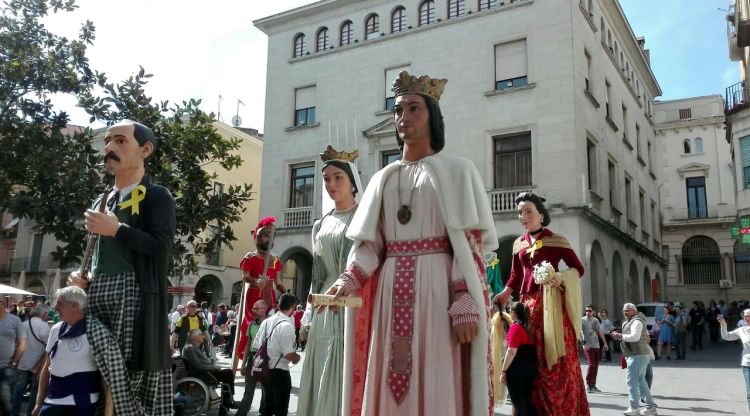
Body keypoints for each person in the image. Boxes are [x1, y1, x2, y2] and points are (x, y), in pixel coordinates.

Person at [327, 71, 498, 416]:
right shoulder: (381, 179)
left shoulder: (458, 171)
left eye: (414, 108)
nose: (403, 117)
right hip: (390, 290)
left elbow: (466, 245)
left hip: (438, 292)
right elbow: (371, 244)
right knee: (388, 367)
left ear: (432, 116)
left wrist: (464, 297)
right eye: (398, 110)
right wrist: (349, 278)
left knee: (437, 371)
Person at [68, 119, 175, 415]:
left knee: (128, 368)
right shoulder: (101, 200)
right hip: (97, 291)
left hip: (133, 291)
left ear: (146, 150)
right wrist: (82, 276)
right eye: (107, 141)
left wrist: (118, 230)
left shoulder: (157, 196)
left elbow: (162, 246)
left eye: (120, 140)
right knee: (93, 366)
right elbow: (94, 250)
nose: (109, 147)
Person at [494, 192, 587, 415]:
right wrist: (504, 294)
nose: (523, 216)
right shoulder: (518, 245)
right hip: (526, 307)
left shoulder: (557, 240)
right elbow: (515, 277)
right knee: (527, 357)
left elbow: (578, 269)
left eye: (528, 211)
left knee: (554, 361)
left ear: (541, 216)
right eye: (520, 212)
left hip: (551, 306)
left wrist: (559, 278)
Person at [297, 145, 362, 416]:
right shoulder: (320, 224)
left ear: (352, 181)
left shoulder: (365, 217)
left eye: (338, 178)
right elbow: (316, 276)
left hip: (355, 304)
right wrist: (308, 316)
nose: (331, 184)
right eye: (326, 179)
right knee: (322, 367)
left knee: (349, 369)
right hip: (324, 307)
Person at [32, 287, 99, 416]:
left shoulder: (95, 331)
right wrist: (38, 403)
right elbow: (47, 366)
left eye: (59, 303)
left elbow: (109, 373)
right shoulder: (56, 329)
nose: (55, 308)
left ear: (74, 306)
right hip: (52, 398)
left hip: (81, 402)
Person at [237, 217, 286, 361]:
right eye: (265, 236)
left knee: (271, 326)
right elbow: (244, 276)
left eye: (271, 236)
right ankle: (247, 358)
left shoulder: (275, 259)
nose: (268, 239)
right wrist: (255, 280)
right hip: (254, 296)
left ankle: (267, 359)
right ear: (259, 238)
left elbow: (277, 281)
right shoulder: (250, 257)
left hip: (269, 297)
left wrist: (286, 294)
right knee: (252, 326)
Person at [252, 294, 300, 416]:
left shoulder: (266, 322)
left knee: (267, 409)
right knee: (281, 410)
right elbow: (289, 354)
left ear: (278, 305)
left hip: (265, 370)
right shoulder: (287, 325)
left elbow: (256, 346)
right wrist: (297, 358)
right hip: (279, 372)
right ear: (293, 307)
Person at [611, 303, 657, 416]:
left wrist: (619, 335)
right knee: (641, 382)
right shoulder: (632, 320)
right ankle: (650, 408)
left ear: (633, 311)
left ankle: (634, 408)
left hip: (637, 356)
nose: (624, 312)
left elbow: (635, 337)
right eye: (623, 310)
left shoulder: (637, 321)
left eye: (627, 310)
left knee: (632, 382)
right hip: (637, 355)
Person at [12, 304, 51, 416]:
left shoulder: (23, 324)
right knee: (35, 392)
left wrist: (15, 361)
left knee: (18, 391)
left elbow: (17, 344)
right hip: (38, 366)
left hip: (22, 362)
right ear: (43, 314)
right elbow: (49, 347)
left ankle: (14, 413)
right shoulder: (45, 327)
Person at [499, 302, 537, 416]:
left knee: (518, 404)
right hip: (530, 368)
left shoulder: (515, 327)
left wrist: (503, 371)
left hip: (517, 370)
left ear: (514, 314)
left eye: (510, 311)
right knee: (527, 402)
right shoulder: (530, 328)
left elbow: (511, 351)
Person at [236, 300, 269, 416]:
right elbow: (248, 344)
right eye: (253, 308)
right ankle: (241, 413)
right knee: (248, 390)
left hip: (266, 359)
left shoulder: (271, 323)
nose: (253, 310)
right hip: (252, 357)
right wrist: (243, 363)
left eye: (256, 308)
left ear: (264, 309)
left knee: (266, 390)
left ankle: (263, 412)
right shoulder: (251, 324)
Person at [181, 329, 235, 399]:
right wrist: (213, 367)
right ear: (195, 337)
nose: (202, 336)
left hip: (204, 373)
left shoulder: (193, 347)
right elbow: (198, 366)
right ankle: (228, 401)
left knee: (228, 373)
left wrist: (213, 365)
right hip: (201, 375)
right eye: (200, 335)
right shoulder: (190, 348)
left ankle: (228, 400)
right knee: (228, 373)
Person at [718, 310, 750, 412]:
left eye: (748, 316)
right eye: (744, 316)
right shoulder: (742, 330)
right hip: (747, 365)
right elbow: (726, 336)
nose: (746, 318)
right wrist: (723, 324)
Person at [0, 296, 25, 415]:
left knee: (6, 403)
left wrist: (14, 362)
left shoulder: (15, 320)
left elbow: (22, 344)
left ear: (3, 304)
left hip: (6, 368)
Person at [581, 304, 608, 393]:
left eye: (589, 311)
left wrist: (605, 343)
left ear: (593, 312)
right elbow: (579, 332)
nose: (588, 312)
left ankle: (593, 385)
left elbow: (600, 331)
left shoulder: (596, 320)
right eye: (586, 311)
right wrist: (583, 342)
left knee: (595, 365)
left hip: (596, 345)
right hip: (587, 345)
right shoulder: (582, 320)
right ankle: (588, 384)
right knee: (591, 364)